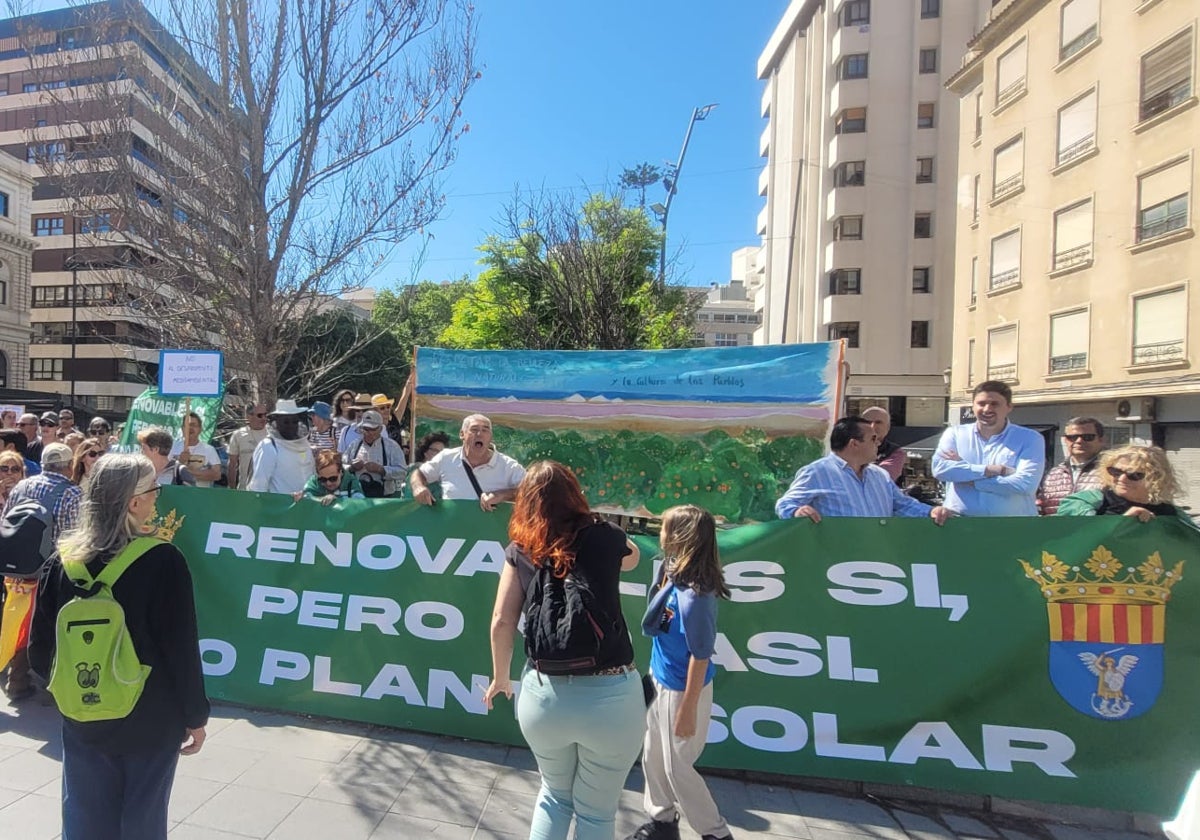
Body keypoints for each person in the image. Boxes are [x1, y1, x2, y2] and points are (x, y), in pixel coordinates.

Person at [29, 454, 209, 839]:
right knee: (143, 817)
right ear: (133, 502)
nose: (157, 499)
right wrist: (196, 714)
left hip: (83, 712)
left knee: (83, 814)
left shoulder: (62, 563)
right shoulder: (163, 560)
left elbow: (39, 648)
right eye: (154, 490)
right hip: (152, 713)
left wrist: (74, 692)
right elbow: (180, 648)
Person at [484, 461, 644, 840]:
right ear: (575, 495)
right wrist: (593, 519)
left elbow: (501, 621)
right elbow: (635, 557)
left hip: (544, 697)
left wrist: (500, 679)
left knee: (555, 797)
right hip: (612, 697)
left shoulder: (520, 549)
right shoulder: (605, 536)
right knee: (597, 813)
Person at [630, 505, 733, 840]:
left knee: (678, 768)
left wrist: (687, 709)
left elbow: (700, 655)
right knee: (653, 756)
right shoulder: (673, 573)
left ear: (680, 538)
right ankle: (661, 822)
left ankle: (715, 832)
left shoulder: (696, 597)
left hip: (682, 690)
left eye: (665, 527)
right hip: (661, 679)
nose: (659, 531)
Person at [2, 443, 83, 701]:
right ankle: (51, 683)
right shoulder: (72, 494)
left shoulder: (22, 487)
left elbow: (6, 521)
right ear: (70, 466)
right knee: (51, 626)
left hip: (18, 569)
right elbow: (75, 538)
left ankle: (17, 680)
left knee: (20, 625)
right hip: (52, 570)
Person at [775, 416, 953, 524]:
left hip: (876, 557)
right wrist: (797, 511)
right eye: (873, 438)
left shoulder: (880, 476)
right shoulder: (817, 472)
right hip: (833, 562)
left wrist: (930, 512)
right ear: (854, 443)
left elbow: (902, 504)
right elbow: (784, 505)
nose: (879, 443)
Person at [931, 381, 1045, 516]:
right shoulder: (954, 434)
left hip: (1012, 528)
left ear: (1009, 407)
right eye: (981, 403)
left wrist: (967, 477)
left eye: (994, 404)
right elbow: (939, 469)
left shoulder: (1030, 438)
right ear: (973, 406)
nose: (987, 409)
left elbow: (1025, 484)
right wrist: (991, 470)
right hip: (961, 525)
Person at [411, 414, 526, 511]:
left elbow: (532, 490)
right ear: (462, 434)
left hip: (491, 535)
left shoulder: (508, 466)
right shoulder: (446, 458)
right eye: (474, 430)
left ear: (490, 436)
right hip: (453, 533)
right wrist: (418, 487)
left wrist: (502, 495)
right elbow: (419, 474)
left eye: (485, 430)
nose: (480, 434)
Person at [1056, 445, 1193, 524]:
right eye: (1115, 471)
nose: (1121, 479)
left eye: (1134, 475)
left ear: (1156, 478)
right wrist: (1123, 523)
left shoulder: (1173, 514)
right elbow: (1076, 536)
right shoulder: (1084, 501)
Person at [1038, 417, 1107, 516]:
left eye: (1087, 437)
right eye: (1073, 437)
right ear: (1065, 440)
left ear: (1101, 440)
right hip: (1058, 530)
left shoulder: (1112, 472)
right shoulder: (1052, 474)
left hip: (1095, 529)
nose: (1079, 441)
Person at [247, 399, 316, 495]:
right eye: (286, 422)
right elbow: (258, 487)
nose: (291, 425)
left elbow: (312, 477)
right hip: (280, 507)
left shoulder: (305, 445)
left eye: (294, 421)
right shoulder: (269, 446)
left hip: (306, 506)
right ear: (277, 423)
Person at [345, 409, 407, 498]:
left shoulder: (392, 446)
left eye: (372, 429)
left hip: (384, 499)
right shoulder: (354, 445)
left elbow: (403, 472)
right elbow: (340, 468)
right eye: (365, 429)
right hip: (357, 497)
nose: (368, 433)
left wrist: (381, 470)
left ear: (380, 429)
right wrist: (351, 467)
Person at [170, 412, 222, 488]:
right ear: (182, 429)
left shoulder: (209, 450)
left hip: (200, 495)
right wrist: (179, 462)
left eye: (193, 425)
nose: (190, 428)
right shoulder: (172, 447)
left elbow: (217, 475)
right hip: (177, 492)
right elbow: (164, 470)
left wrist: (187, 473)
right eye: (187, 425)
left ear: (200, 429)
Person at [297, 449, 365, 505]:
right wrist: (300, 497)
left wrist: (337, 500)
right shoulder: (314, 482)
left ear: (341, 472)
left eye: (333, 479)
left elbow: (360, 505)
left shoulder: (352, 482)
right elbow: (306, 497)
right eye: (323, 479)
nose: (328, 483)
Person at [227, 402, 269, 490]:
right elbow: (232, 464)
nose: (264, 418)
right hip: (245, 490)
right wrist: (232, 490)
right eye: (260, 415)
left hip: (269, 490)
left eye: (266, 415)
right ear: (249, 416)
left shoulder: (273, 434)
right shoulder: (238, 435)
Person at [862, 406, 906, 484]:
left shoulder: (895, 452)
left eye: (878, 422)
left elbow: (879, 479)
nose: (872, 426)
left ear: (888, 427)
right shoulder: (849, 447)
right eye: (868, 422)